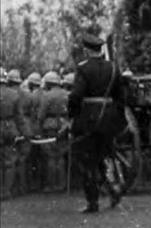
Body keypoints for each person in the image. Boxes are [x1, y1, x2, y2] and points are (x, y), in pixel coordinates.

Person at [68, 34, 127, 213]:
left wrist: (72, 116)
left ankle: (92, 202)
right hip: (109, 120)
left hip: (88, 120)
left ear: (86, 50)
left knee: (86, 162)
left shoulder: (83, 68)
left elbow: (76, 96)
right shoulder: (113, 67)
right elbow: (120, 97)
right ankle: (114, 189)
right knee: (106, 156)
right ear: (100, 50)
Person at [37, 71, 69, 192]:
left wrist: (39, 126)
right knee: (60, 157)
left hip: (50, 125)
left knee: (51, 157)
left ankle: (51, 186)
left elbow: (41, 114)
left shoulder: (47, 95)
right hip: (64, 125)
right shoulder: (66, 94)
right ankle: (61, 184)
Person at [1, 68, 29, 199]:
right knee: (9, 161)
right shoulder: (13, 94)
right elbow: (19, 117)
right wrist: (25, 133)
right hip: (9, 128)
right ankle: (6, 191)